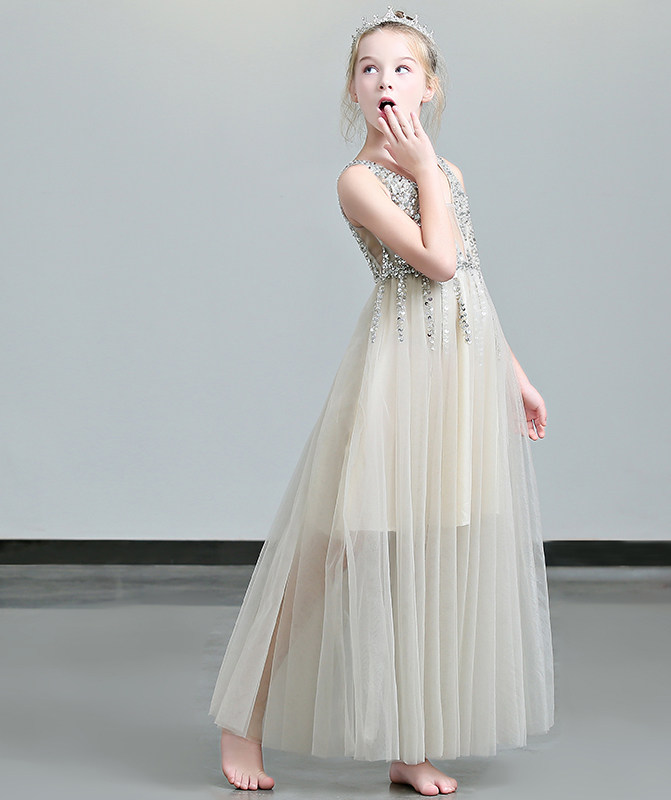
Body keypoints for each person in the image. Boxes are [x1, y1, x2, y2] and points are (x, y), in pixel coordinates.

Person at [209, 8, 555, 795]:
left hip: (459, 374)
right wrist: (425, 167)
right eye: (369, 69)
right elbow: (436, 262)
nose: (385, 81)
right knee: (336, 553)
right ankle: (242, 718)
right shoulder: (360, 181)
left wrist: (513, 374)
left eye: (402, 68)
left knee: (428, 559)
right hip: (399, 375)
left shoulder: (449, 173)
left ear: (429, 88)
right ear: (353, 91)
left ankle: (409, 743)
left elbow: (471, 281)